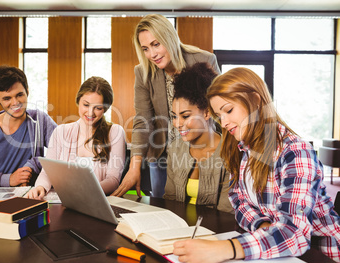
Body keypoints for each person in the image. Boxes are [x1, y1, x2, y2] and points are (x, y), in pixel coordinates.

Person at [173, 67, 340, 263]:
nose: (224, 122)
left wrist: (226, 248)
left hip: (320, 258)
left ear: (256, 100)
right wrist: (264, 225)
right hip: (278, 253)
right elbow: (238, 201)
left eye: (228, 110)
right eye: (220, 115)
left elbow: (294, 233)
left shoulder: (295, 152)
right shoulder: (243, 151)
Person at [112, 14, 221, 198]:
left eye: (156, 44)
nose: (152, 54)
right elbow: (143, 120)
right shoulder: (143, 72)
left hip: (202, 149)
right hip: (163, 155)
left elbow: (220, 108)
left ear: (169, 38)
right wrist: (134, 167)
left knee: (202, 201)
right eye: (145, 48)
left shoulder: (204, 60)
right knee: (164, 207)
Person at [26, 76, 126, 199]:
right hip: (65, 204)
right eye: (86, 105)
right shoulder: (61, 132)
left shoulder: (115, 132)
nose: (90, 113)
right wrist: (40, 187)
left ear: (105, 109)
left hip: (97, 202)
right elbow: (48, 172)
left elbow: (113, 179)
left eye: (98, 108)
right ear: (78, 101)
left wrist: (86, 191)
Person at [163, 62, 232, 213]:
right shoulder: (175, 148)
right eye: (174, 116)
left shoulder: (229, 152)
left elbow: (226, 212)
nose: (177, 123)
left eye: (185, 116)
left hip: (214, 233)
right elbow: (170, 200)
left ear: (207, 113)